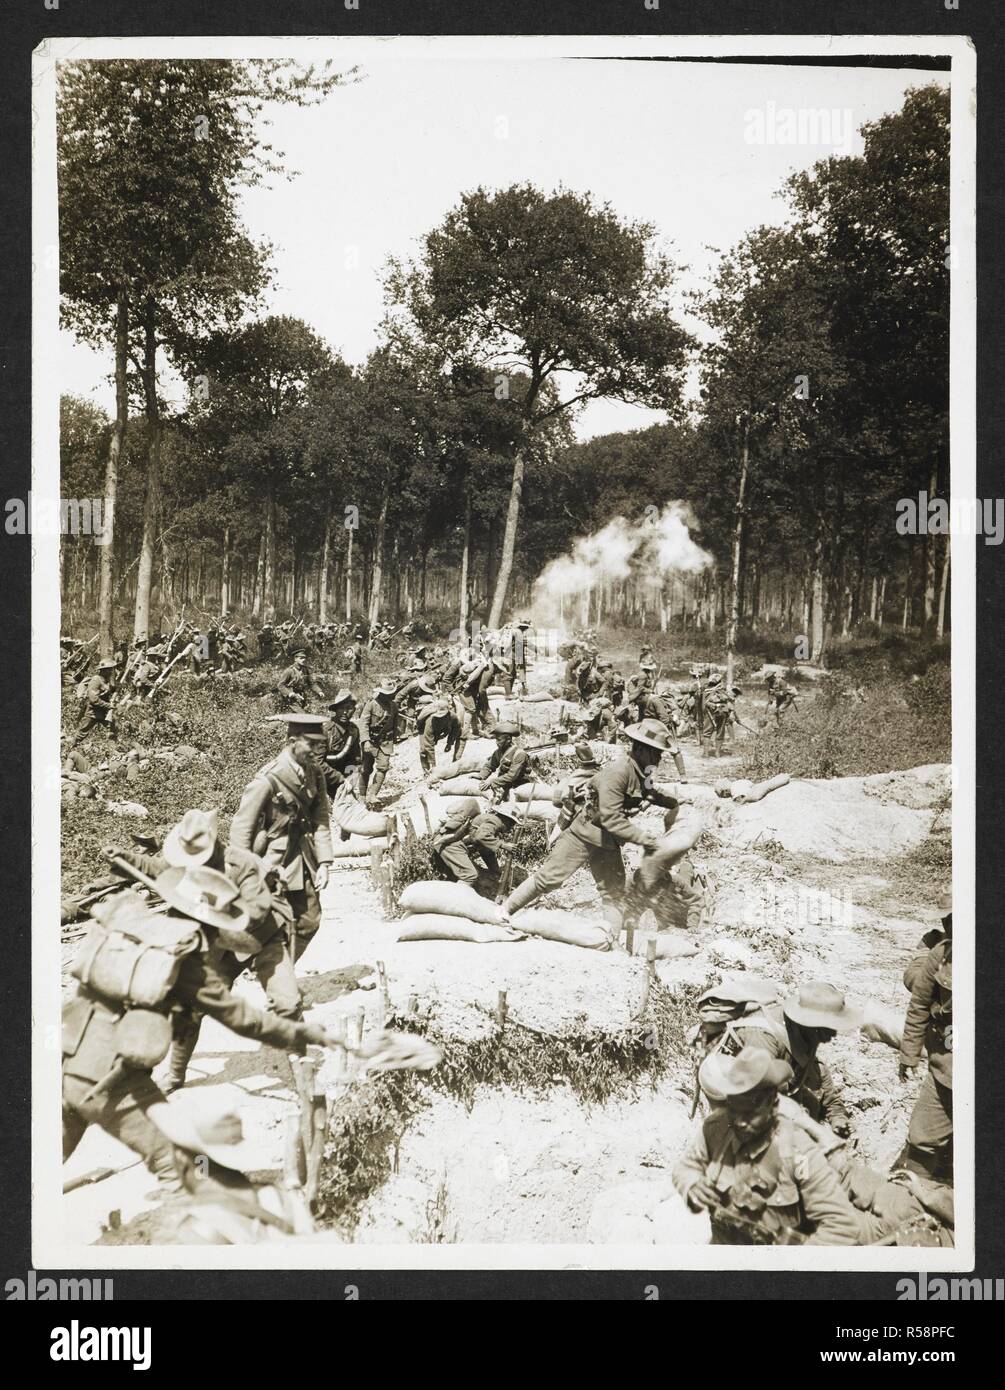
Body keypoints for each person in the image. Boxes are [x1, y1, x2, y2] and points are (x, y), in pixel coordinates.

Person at [62, 865, 336, 1192]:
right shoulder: (188, 963)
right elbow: (244, 1019)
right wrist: (308, 1033)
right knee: (185, 1167)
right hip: (110, 1081)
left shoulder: (136, 927)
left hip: (62, 1055)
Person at [105, 808, 306, 1093]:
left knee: (287, 1002)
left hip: (261, 938)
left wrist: (219, 912)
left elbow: (258, 909)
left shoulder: (242, 864)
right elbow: (157, 869)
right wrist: (123, 859)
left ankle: (301, 1067)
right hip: (216, 946)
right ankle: (175, 1075)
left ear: (213, 846)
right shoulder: (186, 862)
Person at [503, 718, 679, 943]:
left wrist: (673, 802)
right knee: (550, 878)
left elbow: (650, 792)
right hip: (585, 833)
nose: (658, 758)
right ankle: (504, 912)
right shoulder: (618, 772)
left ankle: (611, 940)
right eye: (656, 753)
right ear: (641, 749)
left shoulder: (643, 770)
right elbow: (611, 817)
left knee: (613, 893)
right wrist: (643, 839)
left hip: (608, 841)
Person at [672, 1046, 867, 1246]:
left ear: (773, 1105)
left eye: (749, 1111)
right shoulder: (715, 1129)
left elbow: (841, 1224)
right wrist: (692, 1183)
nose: (738, 1121)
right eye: (733, 1107)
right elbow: (684, 1167)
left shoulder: (797, 1146)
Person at [229, 714, 334, 962]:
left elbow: (321, 819)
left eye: (320, 744)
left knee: (309, 920)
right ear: (292, 741)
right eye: (311, 744)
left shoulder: (315, 773)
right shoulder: (268, 779)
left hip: (304, 859)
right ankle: (270, 977)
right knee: (265, 923)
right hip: (270, 862)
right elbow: (241, 829)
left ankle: (278, 972)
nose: (316, 750)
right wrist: (246, 871)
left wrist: (325, 863)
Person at [712, 981, 862, 1137]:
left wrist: (837, 1115)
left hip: (775, 1086)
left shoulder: (806, 1032)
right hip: (745, 1098)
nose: (833, 1035)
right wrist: (815, 1132)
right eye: (828, 1028)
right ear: (810, 1023)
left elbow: (817, 1073)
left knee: (812, 1106)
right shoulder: (763, 1037)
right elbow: (760, 1098)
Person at [899, 933, 953, 1182]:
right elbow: (919, 1003)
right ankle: (911, 1200)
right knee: (923, 1137)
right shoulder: (940, 953)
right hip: (947, 1065)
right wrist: (909, 1054)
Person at [429, 797, 520, 894]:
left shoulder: (489, 819)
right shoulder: (496, 821)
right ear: (507, 819)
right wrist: (503, 845)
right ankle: (455, 899)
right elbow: (481, 836)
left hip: (448, 842)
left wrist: (495, 872)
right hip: (448, 844)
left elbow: (486, 851)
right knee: (470, 875)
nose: (512, 827)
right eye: (512, 823)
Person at [356, 679, 402, 806]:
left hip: (386, 742)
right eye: (386, 694)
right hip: (371, 741)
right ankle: (362, 795)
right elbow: (363, 723)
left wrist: (395, 737)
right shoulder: (371, 704)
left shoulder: (393, 706)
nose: (389, 696)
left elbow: (396, 722)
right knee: (366, 769)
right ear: (381, 693)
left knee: (383, 767)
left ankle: (372, 794)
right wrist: (365, 741)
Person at [479, 720, 532, 799]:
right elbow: (489, 765)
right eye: (496, 740)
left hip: (520, 786)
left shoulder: (520, 754)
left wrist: (491, 781)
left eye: (499, 740)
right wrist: (481, 776)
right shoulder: (498, 752)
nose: (497, 742)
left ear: (508, 740)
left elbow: (511, 776)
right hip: (504, 785)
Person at [73, 656, 119, 741]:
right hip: (93, 712)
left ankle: (113, 746)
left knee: (114, 728)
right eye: (109, 669)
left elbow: (106, 692)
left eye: (111, 669)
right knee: (82, 733)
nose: (111, 671)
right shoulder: (96, 680)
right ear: (103, 670)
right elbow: (93, 699)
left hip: (103, 712)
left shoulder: (106, 680)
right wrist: (108, 705)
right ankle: (70, 747)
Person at [323, 690, 360, 795]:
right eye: (341, 708)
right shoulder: (325, 729)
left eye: (349, 708)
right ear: (335, 710)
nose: (345, 712)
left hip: (337, 775)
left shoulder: (353, 730)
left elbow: (355, 759)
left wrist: (349, 779)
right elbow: (317, 762)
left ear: (354, 710)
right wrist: (341, 779)